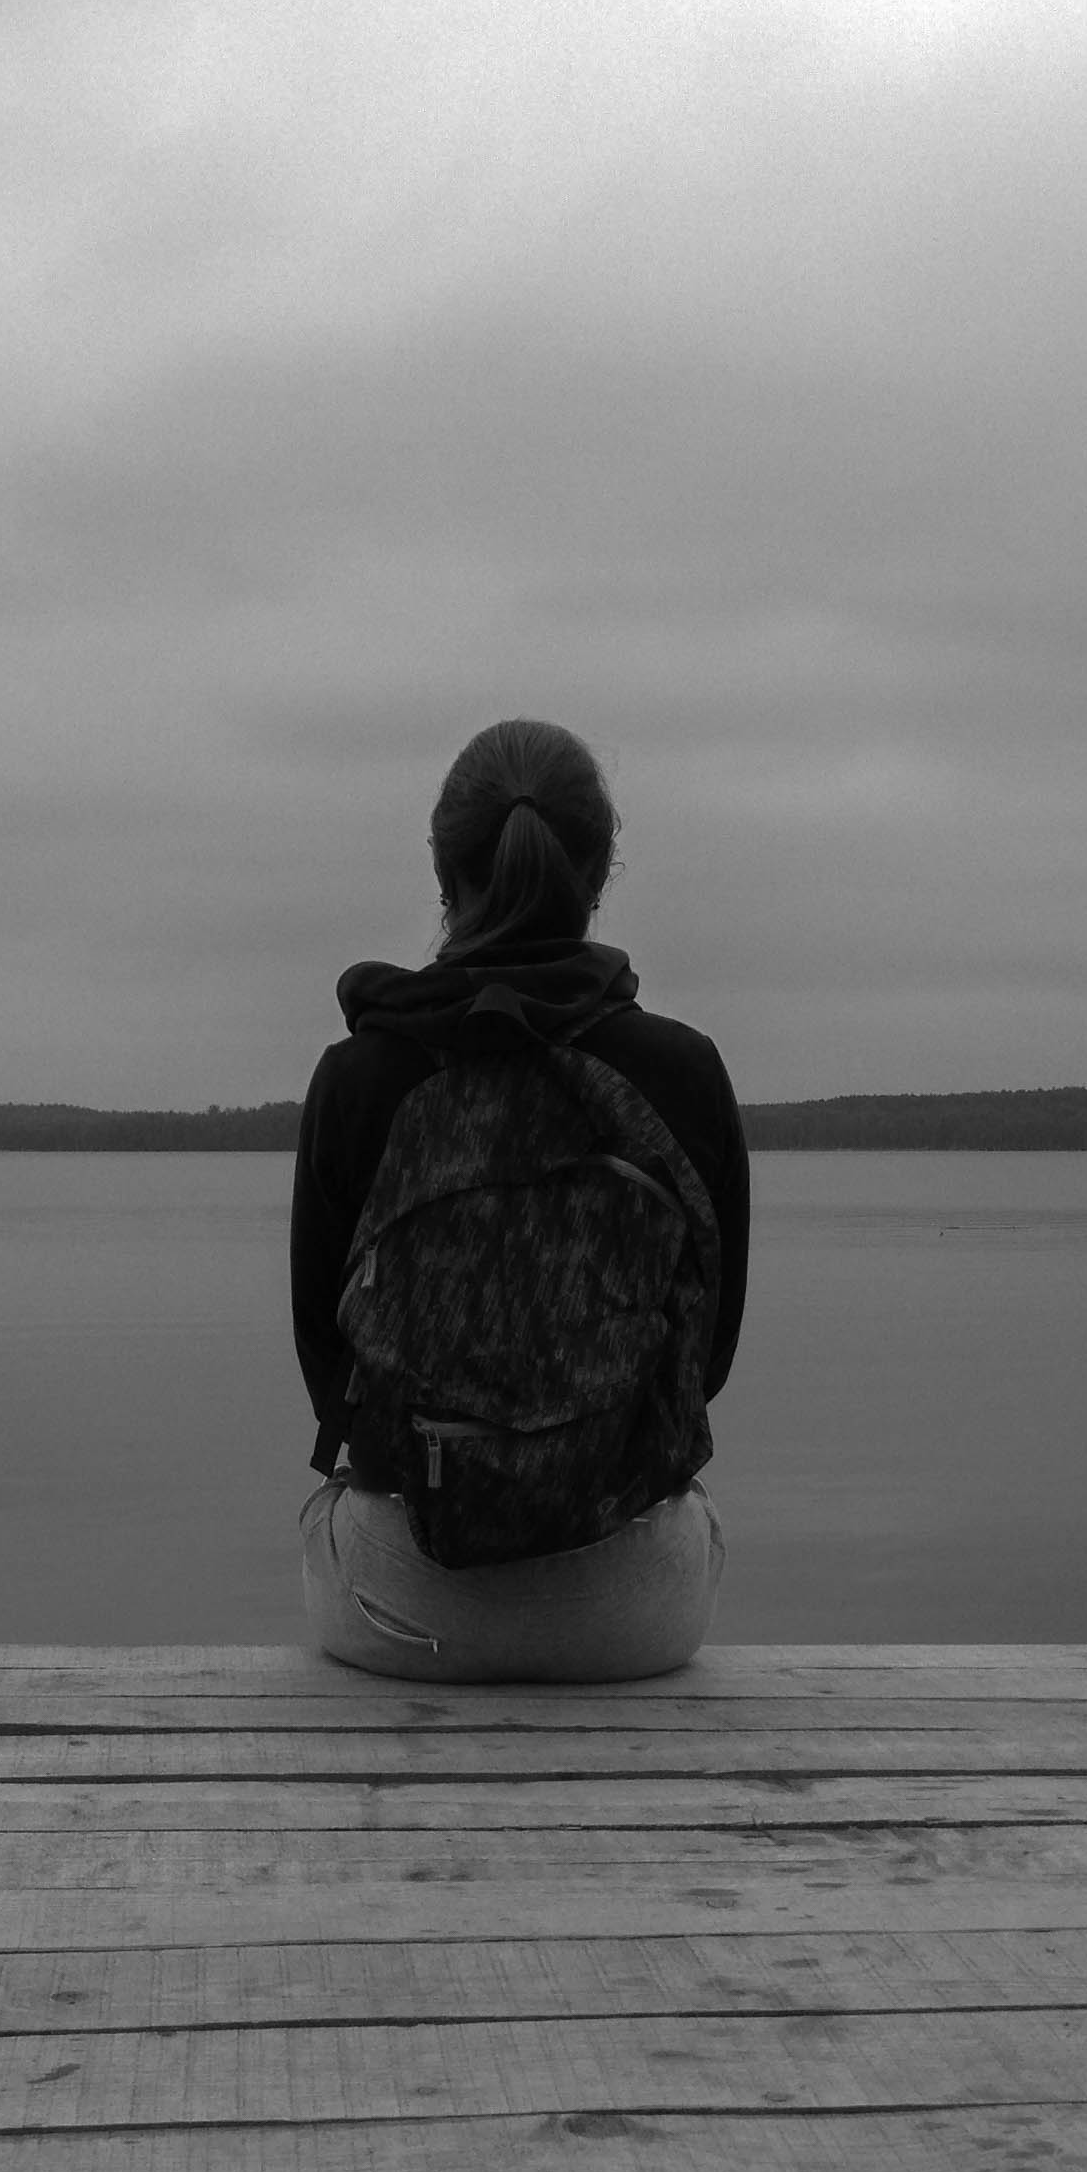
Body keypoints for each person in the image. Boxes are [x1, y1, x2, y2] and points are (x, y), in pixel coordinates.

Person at [290, 719, 749, 1681]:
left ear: (441, 869)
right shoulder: (686, 1072)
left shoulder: (356, 1078)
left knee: (327, 1511)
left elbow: (328, 1371)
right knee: (696, 1513)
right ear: (599, 871)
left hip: (402, 1610)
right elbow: (705, 1363)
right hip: (632, 1613)